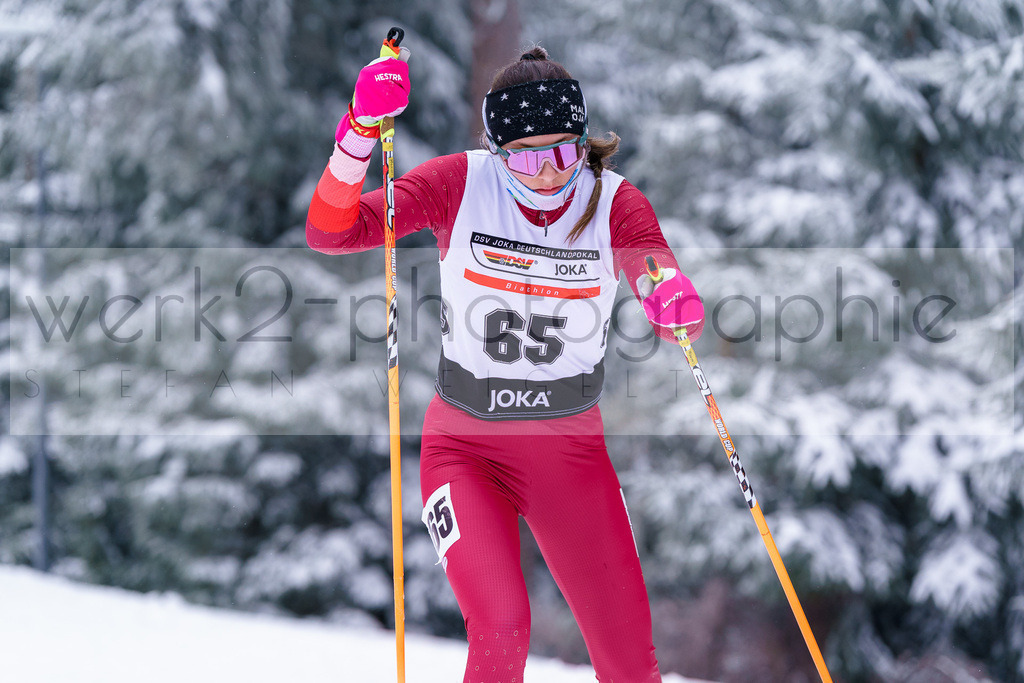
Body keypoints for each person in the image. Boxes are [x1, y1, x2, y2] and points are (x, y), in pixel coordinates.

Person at [307, 43, 704, 683]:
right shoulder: (459, 183)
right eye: (526, 158)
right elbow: (332, 230)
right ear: (498, 154)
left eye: (563, 153)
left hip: (569, 454)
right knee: (501, 629)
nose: (548, 175)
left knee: (630, 661)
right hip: (465, 447)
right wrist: (358, 130)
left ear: (583, 143)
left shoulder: (613, 201)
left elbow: (650, 262)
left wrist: (666, 291)